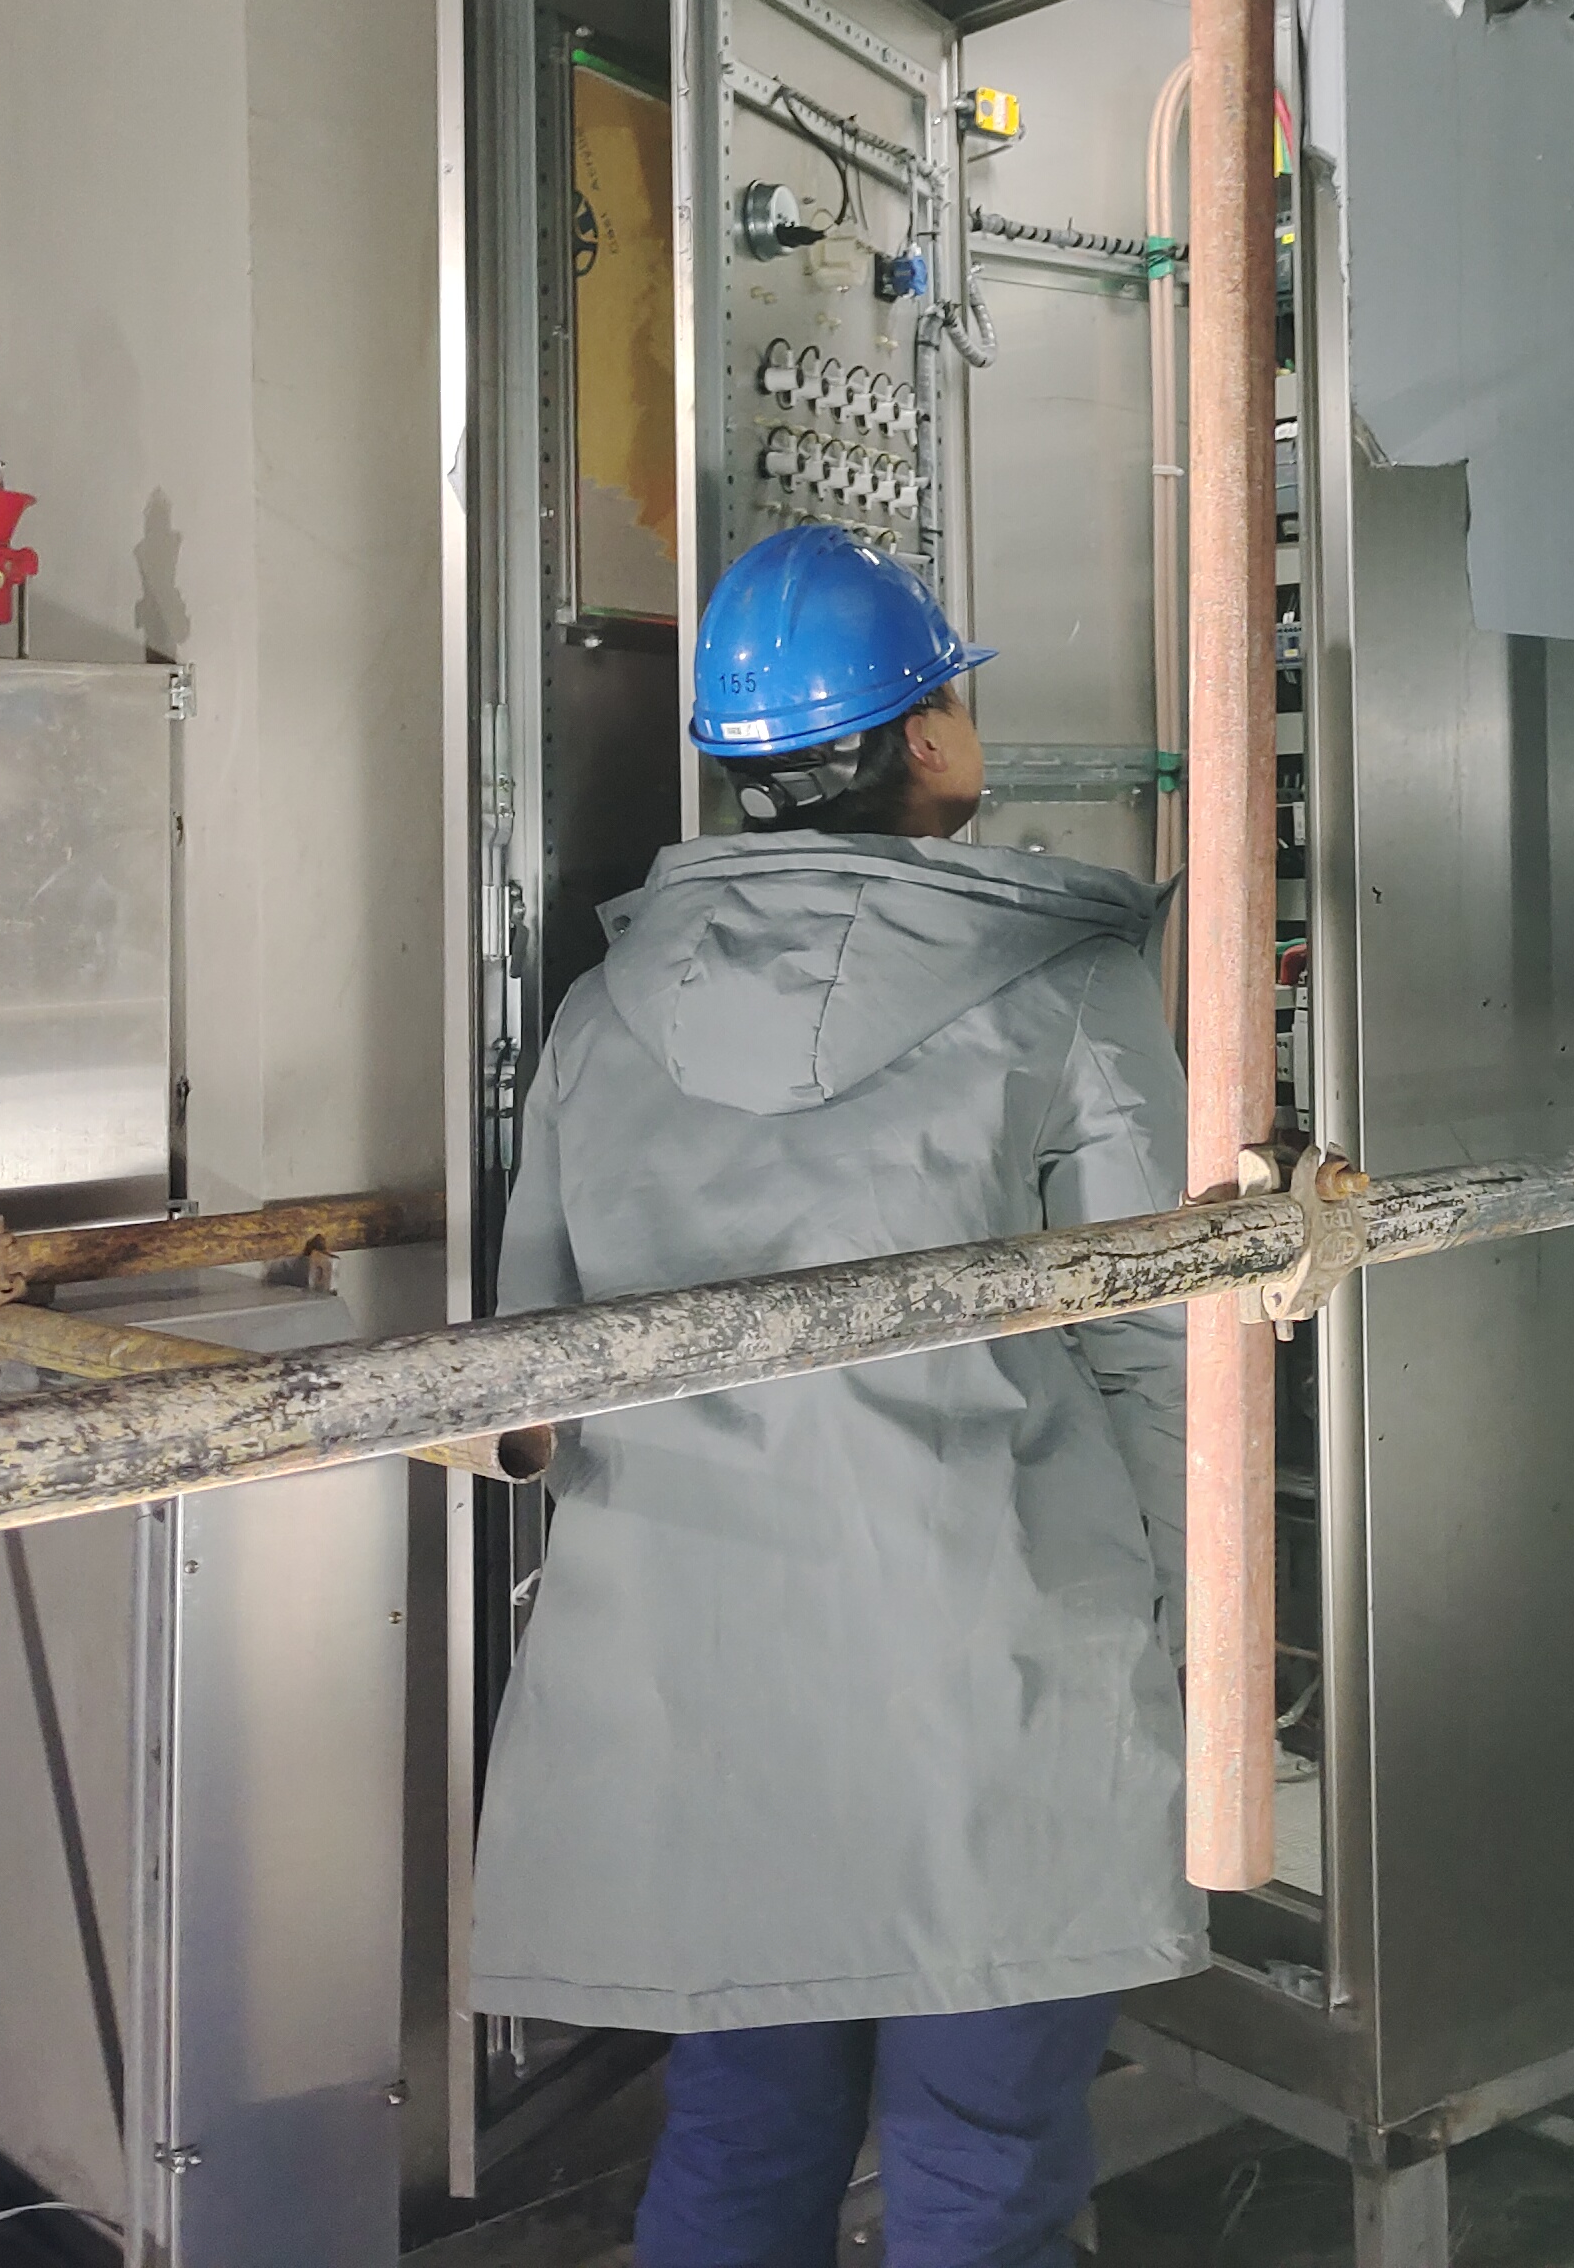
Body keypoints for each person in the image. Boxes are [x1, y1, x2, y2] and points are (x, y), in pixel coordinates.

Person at [467, 525, 1202, 2268]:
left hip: (704, 1676)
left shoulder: (603, 1013)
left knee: (740, 2136)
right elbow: (1160, 1344)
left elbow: (530, 1366)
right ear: (924, 736)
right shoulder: (1068, 988)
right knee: (984, 2157)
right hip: (996, 1652)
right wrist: (1188, 1624)